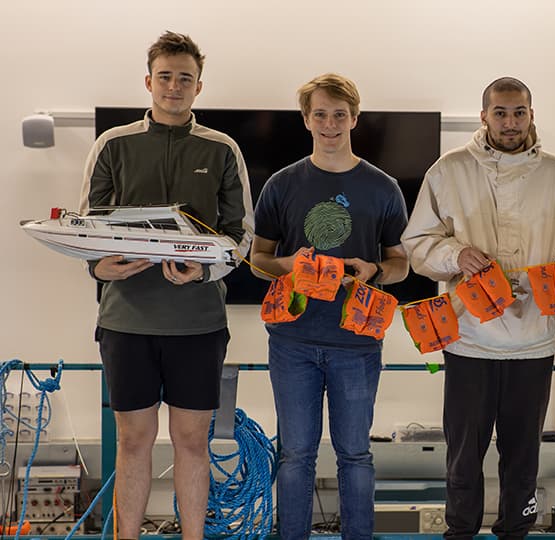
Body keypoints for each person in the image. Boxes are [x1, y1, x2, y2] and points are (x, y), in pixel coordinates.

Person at [79, 31, 253, 540]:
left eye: (185, 79)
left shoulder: (221, 149)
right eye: (165, 77)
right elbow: (86, 225)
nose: (174, 87)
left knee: (192, 442)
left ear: (199, 87)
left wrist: (207, 269)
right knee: (133, 441)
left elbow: (242, 232)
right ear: (148, 81)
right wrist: (97, 267)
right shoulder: (113, 143)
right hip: (126, 320)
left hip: (198, 323)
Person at [401, 77, 555, 539]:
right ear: (483, 115)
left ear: (532, 114)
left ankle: (515, 532)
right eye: (500, 112)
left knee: (523, 455)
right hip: (469, 341)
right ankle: (460, 532)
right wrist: (456, 256)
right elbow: (417, 243)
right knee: (463, 455)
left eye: (519, 112)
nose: (510, 122)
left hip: (535, 341)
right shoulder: (449, 170)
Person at [250, 73, 409, 540]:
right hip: (292, 341)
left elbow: (401, 264)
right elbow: (258, 260)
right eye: (320, 113)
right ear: (306, 120)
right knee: (295, 453)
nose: (330, 123)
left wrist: (373, 271)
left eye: (340, 114)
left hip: (357, 343)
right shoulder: (281, 184)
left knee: (355, 454)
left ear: (354, 118)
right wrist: (288, 265)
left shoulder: (383, 188)